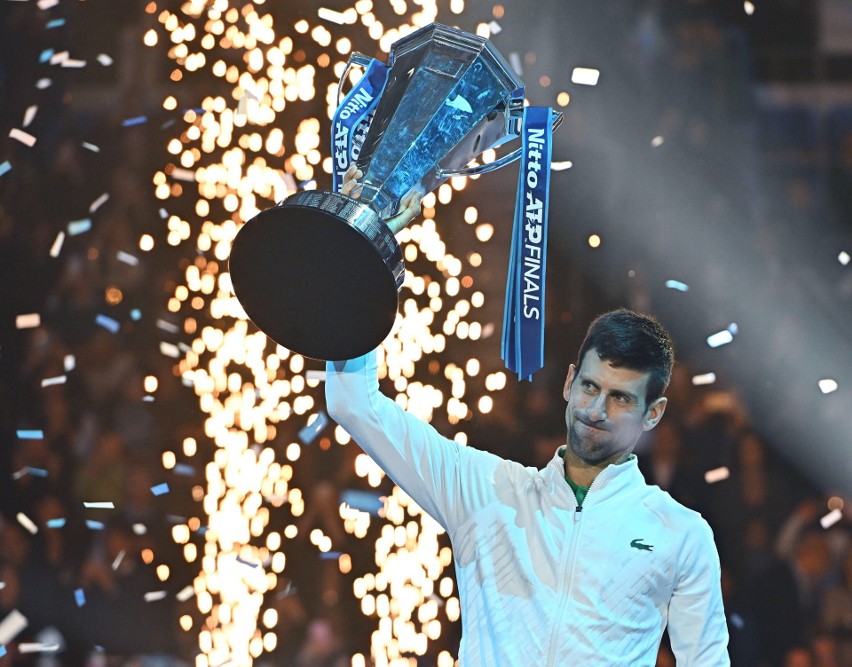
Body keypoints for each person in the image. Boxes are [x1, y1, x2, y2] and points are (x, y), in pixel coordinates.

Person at [327, 172, 729, 664]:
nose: (597, 411)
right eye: (589, 387)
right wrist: (359, 242)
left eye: (621, 399)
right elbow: (353, 402)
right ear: (567, 383)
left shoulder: (680, 533)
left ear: (654, 413)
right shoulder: (485, 490)